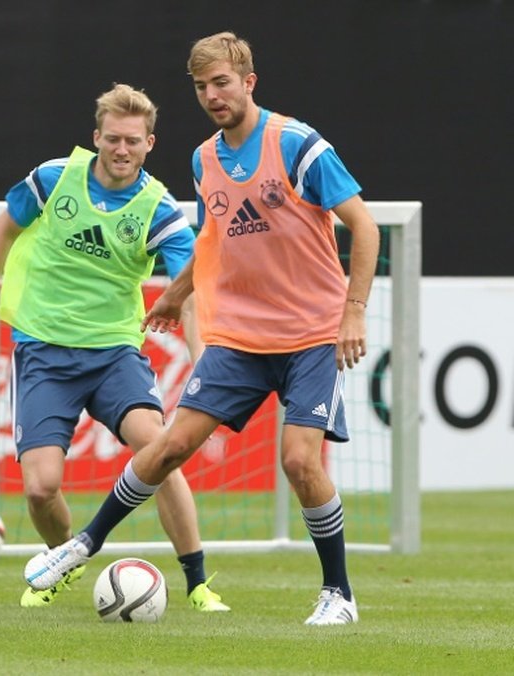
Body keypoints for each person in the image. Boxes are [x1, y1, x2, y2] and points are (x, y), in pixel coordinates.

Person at [24, 32, 381, 626]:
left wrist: (355, 309)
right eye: (201, 86)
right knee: (169, 445)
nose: (213, 95)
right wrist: (177, 291)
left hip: (311, 333)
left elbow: (364, 228)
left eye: (222, 82)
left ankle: (338, 593)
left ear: (249, 82)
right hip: (240, 337)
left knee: (299, 462)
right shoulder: (203, 159)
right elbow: (215, 237)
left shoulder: (296, 145)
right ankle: (81, 546)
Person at [0, 83, 228, 612]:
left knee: (159, 450)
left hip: (113, 356)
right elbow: (1, 232)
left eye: (132, 141)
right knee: (40, 489)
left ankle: (197, 583)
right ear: (96, 138)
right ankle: (64, 560)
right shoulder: (54, 179)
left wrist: (205, 363)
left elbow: (190, 293)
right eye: (112, 139)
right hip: (43, 352)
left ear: (150, 143)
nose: (121, 150)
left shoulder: (160, 210)